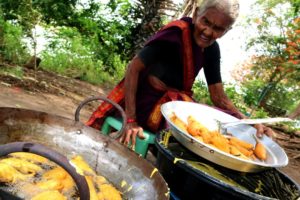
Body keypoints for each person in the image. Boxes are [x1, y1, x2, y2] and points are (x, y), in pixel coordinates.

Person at [87, 0, 274, 148]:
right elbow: (133, 68)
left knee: (221, 124)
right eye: (205, 22)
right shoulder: (175, 33)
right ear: (195, 14)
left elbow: (218, 97)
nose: (208, 32)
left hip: (175, 105)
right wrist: (131, 119)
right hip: (146, 104)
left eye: (218, 28)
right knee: (195, 131)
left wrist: (248, 122)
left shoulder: (212, 50)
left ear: (226, 31)